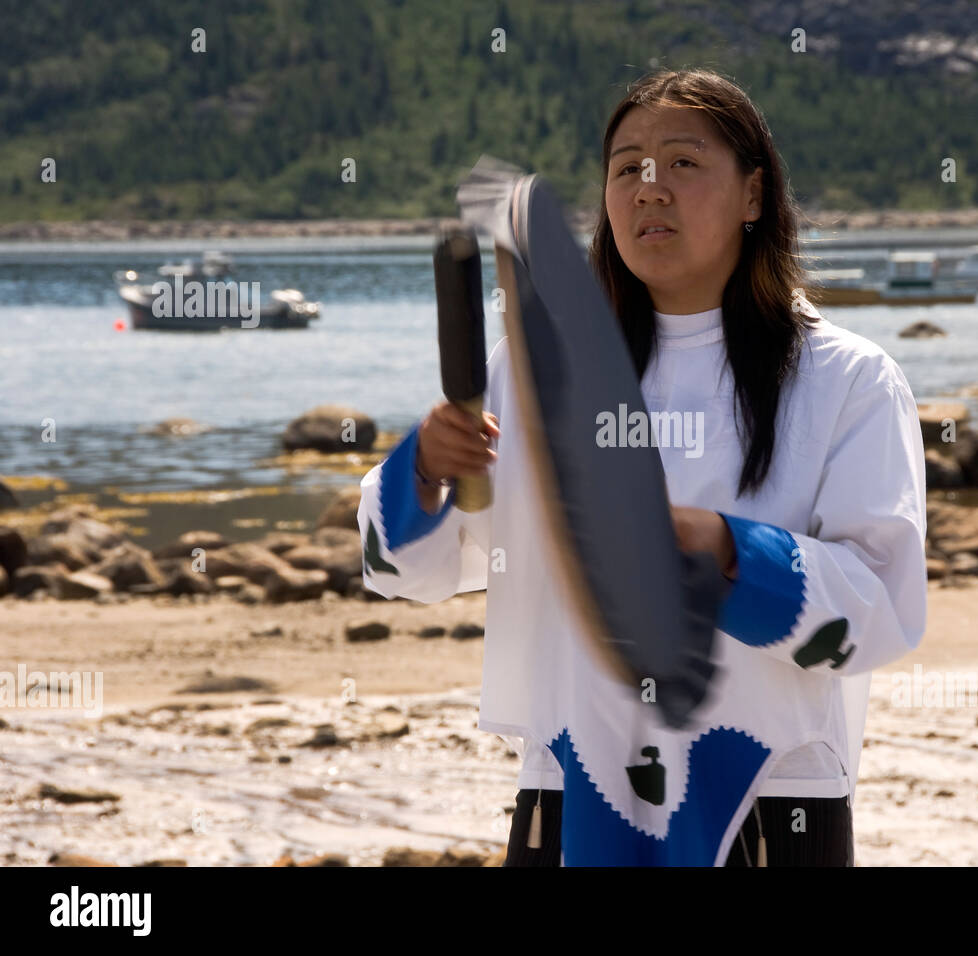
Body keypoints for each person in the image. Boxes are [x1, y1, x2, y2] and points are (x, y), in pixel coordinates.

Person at [357, 68, 928, 866]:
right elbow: (403, 571)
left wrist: (720, 549)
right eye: (627, 168)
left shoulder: (846, 378)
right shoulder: (530, 372)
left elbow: (881, 610)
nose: (648, 189)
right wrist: (424, 470)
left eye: (682, 164)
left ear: (755, 194)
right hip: (569, 790)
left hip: (772, 804)